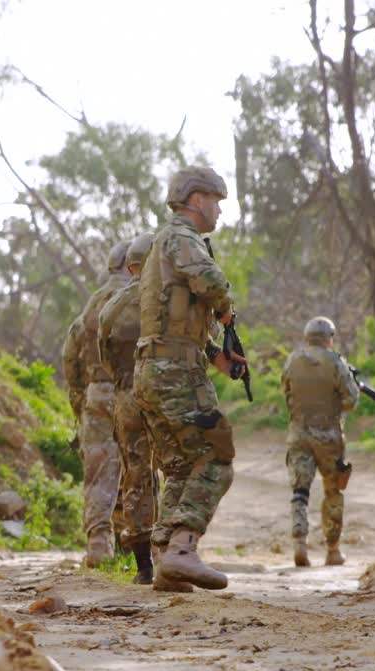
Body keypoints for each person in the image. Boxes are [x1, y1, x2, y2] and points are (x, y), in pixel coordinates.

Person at [133, 166, 242, 591]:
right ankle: (182, 550)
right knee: (216, 459)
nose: (218, 211)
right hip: (175, 372)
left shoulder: (162, 244)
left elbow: (172, 315)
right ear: (196, 200)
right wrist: (226, 308)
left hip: (153, 369)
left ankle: (166, 559)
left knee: (180, 467)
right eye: (215, 202)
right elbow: (210, 281)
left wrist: (218, 355)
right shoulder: (182, 237)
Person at [61, 241, 131, 567]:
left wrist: (80, 398)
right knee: (138, 470)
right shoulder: (138, 299)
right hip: (130, 393)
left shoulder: (91, 305)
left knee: (99, 470)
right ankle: (138, 547)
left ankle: (99, 543)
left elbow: (69, 355)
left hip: (95, 393)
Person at [97, 231, 159, 585]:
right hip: (160, 394)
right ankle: (173, 550)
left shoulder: (111, 308)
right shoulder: (162, 302)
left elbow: (105, 359)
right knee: (171, 469)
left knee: (136, 474)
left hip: (126, 396)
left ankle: (143, 565)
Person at [281, 316, 360, 567]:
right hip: (328, 437)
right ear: (329, 338)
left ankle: (299, 543)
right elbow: (351, 401)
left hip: (298, 434)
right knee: (333, 491)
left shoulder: (293, 360)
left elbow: (287, 392)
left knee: (299, 491)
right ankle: (333, 550)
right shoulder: (336, 362)